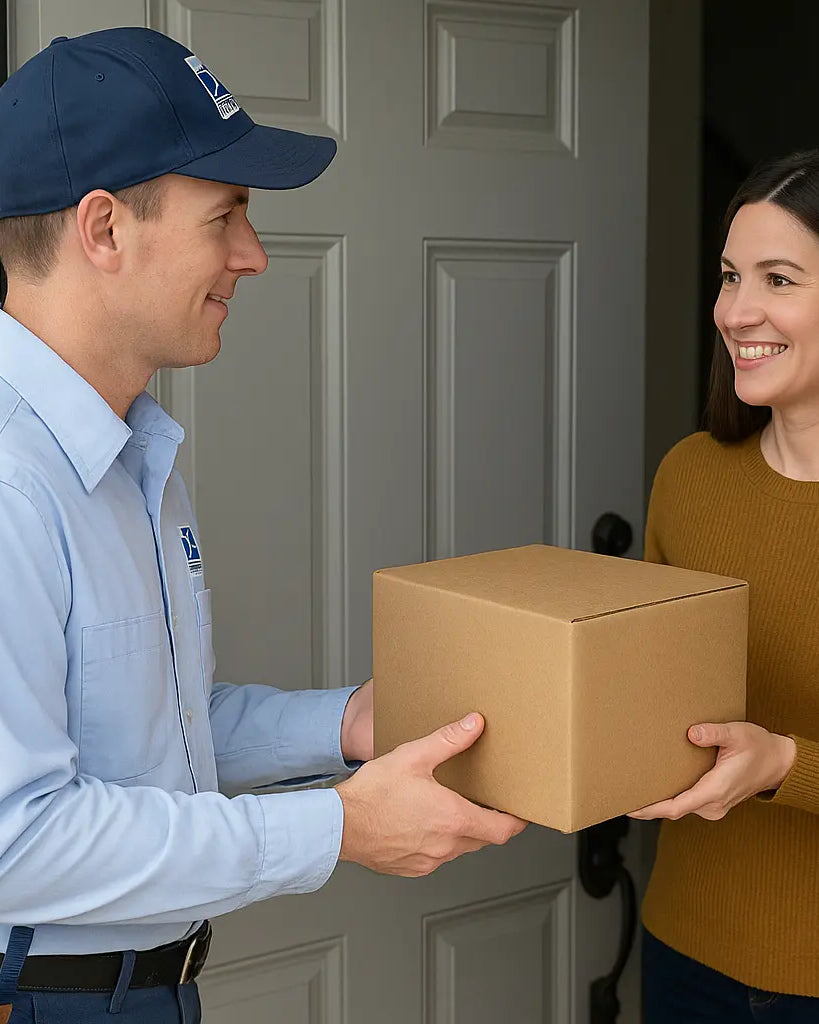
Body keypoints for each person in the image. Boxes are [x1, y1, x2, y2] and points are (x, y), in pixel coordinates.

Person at [0, 27, 526, 1024]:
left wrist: (345, 725)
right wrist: (333, 829)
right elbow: (15, 843)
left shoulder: (129, 455)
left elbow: (159, 732)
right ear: (103, 229)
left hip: (150, 994)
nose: (255, 255)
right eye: (227, 214)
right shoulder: (10, 483)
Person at [630, 149, 819, 1021]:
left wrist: (783, 763)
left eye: (778, 279)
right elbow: (644, 690)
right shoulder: (691, 476)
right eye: (729, 276)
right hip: (684, 948)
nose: (735, 312)